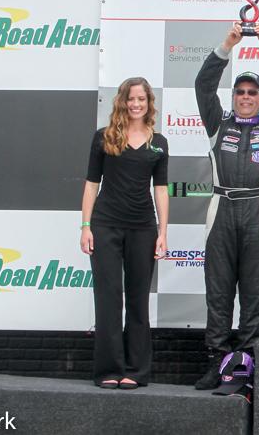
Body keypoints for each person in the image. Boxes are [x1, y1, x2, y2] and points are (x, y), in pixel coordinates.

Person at [193, 22, 259, 389]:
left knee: (253, 293)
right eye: (239, 91)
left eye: (252, 92)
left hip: (258, 211)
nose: (245, 96)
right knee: (218, 293)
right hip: (221, 209)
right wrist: (227, 45)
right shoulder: (217, 123)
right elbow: (203, 85)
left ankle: (247, 365)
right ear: (233, 96)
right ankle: (216, 362)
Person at [81, 77, 169, 389]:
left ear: (149, 103)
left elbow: (161, 189)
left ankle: (136, 370)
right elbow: (91, 184)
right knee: (108, 299)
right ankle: (109, 370)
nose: (136, 104)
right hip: (105, 225)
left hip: (143, 228)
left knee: (137, 299)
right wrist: (85, 226)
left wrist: (162, 232)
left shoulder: (159, 142)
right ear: (122, 101)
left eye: (141, 99)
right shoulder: (103, 137)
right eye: (131, 99)